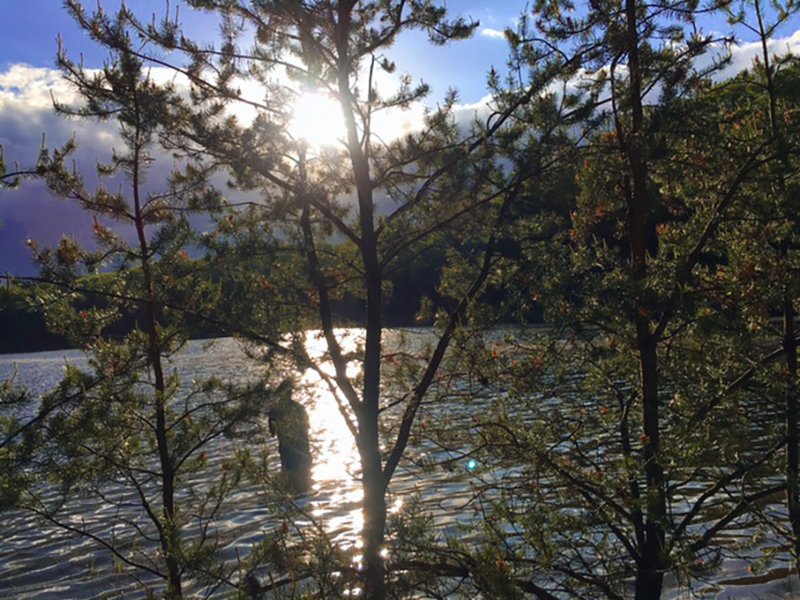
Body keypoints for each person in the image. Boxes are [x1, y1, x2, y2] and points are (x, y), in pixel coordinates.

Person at [268, 393, 312, 493]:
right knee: (304, 471)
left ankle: (291, 492)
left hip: (286, 447)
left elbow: (272, 432)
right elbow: (307, 427)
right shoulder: (300, 408)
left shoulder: (274, 410)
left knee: (288, 469)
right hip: (301, 445)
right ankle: (301, 492)